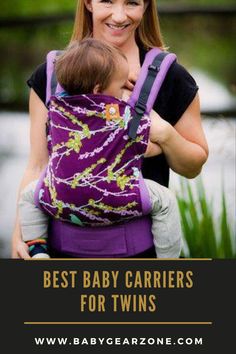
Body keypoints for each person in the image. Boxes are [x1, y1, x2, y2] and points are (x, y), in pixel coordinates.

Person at [12, 0, 208, 259]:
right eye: (106, 0)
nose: (119, 15)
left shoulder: (171, 78)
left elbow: (193, 167)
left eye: (132, 3)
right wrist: (20, 235)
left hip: (140, 258)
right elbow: (37, 166)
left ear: (146, 6)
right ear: (88, 3)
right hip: (59, 255)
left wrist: (166, 134)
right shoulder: (52, 75)